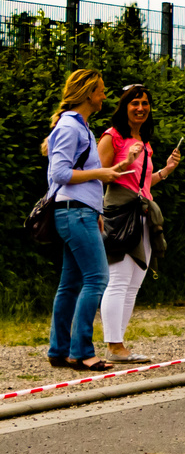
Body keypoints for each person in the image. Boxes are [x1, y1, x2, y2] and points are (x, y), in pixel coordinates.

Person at [42, 70, 135, 372]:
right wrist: (101, 174)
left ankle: (59, 351)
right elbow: (60, 174)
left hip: (79, 212)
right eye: (101, 91)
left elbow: (83, 175)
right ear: (87, 94)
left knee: (71, 283)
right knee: (97, 279)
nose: (105, 96)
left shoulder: (80, 127)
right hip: (74, 212)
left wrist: (98, 203)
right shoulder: (71, 127)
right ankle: (82, 351)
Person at [97, 84, 182, 363]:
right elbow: (99, 176)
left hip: (144, 213)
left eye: (145, 103)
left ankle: (119, 345)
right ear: (124, 107)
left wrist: (166, 171)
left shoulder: (143, 141)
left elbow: (142, 183)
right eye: (135, 103)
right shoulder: (113, 138)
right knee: (119, 279)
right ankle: (113, 345)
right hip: (120, 213)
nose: (140, 108)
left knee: (134, 281)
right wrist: (97, 212)